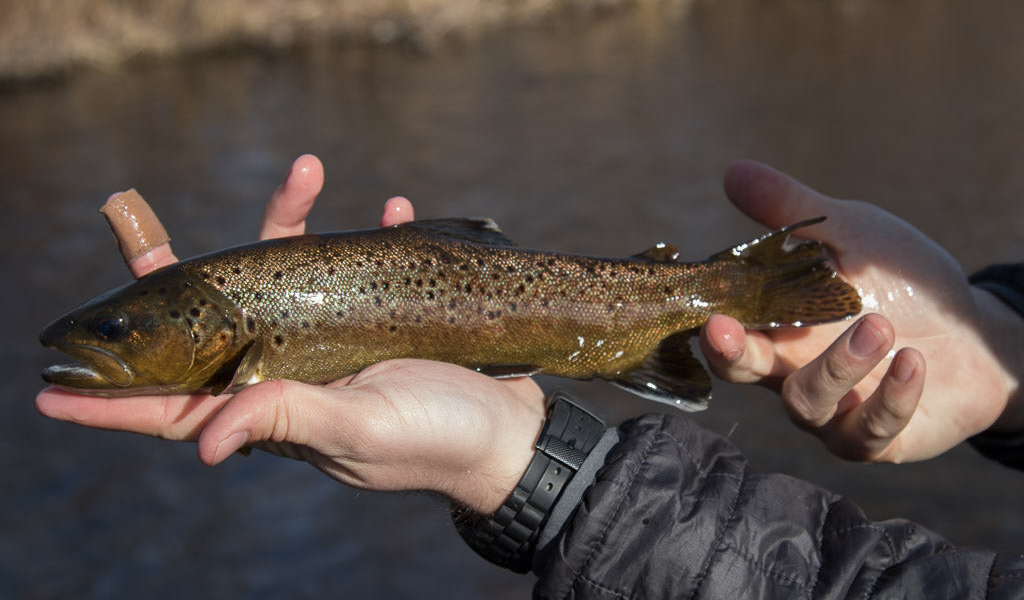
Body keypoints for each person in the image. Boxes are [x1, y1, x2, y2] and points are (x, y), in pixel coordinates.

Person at [36, 155, 1024, 597]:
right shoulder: (231, 319)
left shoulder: (237, 323)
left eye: (121, 330)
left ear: (210, 327)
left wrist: (525, 466)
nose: (107, 338)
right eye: (120, 331)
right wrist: (992, 339)